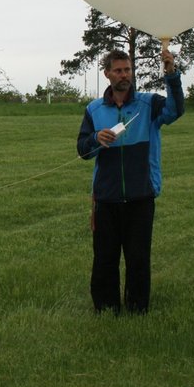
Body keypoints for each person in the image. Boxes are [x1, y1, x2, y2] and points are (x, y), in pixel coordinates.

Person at [77, 47, 184, 315]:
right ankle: (105, 307)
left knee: (137, 258)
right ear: (107, 74)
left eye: (128, 69)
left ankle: (137, 308)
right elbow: (82, 150)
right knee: (105, 258)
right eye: (118, 70)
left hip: (140, 194)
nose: (124, 75)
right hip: (106, 196)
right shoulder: (94, 109)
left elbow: (176, 110)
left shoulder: (149, 104)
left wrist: (171, 75)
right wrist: (95, 139)